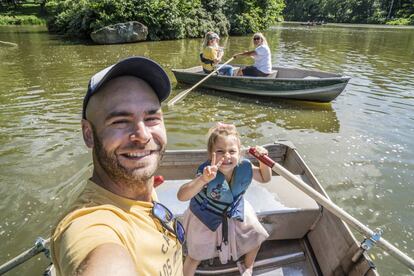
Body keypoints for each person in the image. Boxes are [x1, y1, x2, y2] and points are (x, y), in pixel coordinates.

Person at [51, 57, 184, 276]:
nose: (143, 135)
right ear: (88, 134)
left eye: (151, 118)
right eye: (120, 121)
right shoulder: (90, 225)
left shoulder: (140, 189)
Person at [177, 123, 272, 276]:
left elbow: (265, 177)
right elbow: (181, 196)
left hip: (234, 210)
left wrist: (263, 160)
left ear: (239, 153)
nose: (227, 156)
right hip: (206, 215)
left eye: (232, 151)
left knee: (256, 235)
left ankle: (248, 266)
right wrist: (202, 180)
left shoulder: (243, 166)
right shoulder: (207, 172)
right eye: (220, 151)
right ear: (210, 154)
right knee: (195, 255)